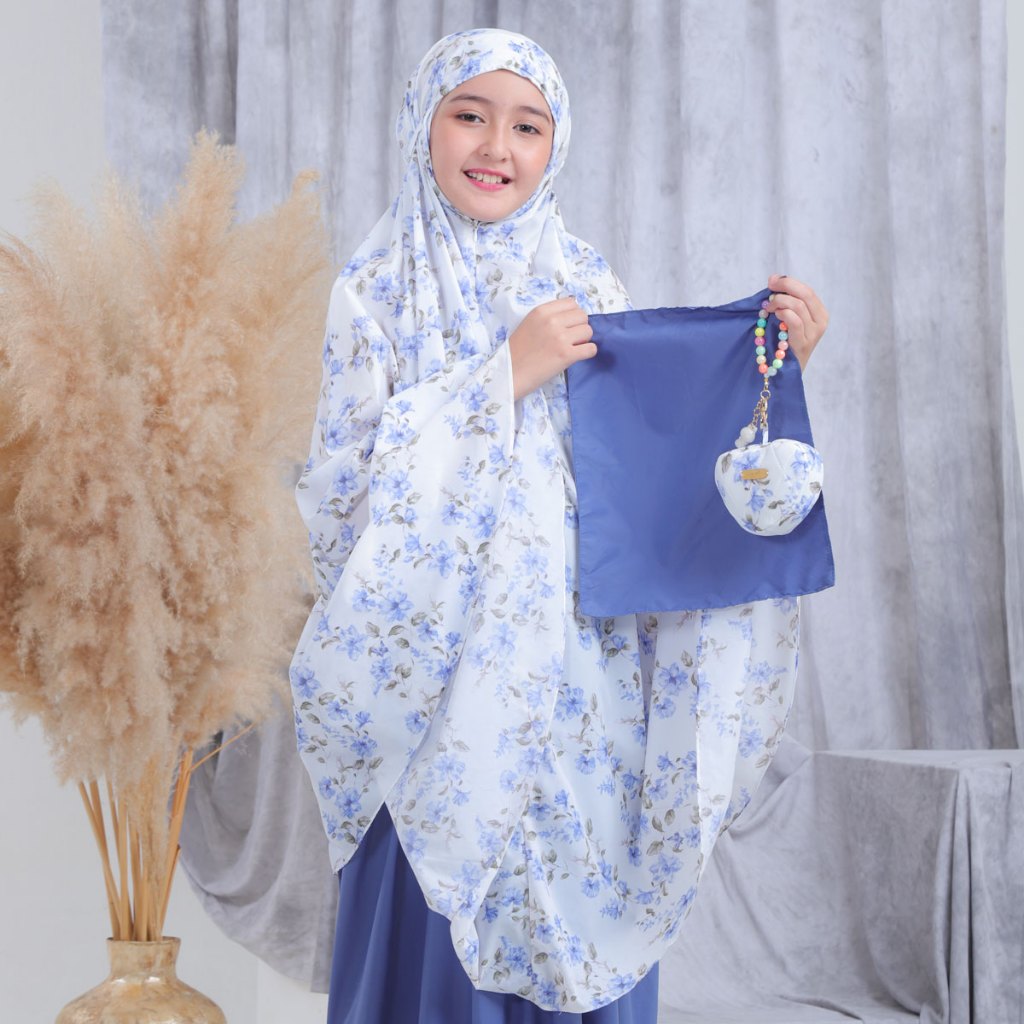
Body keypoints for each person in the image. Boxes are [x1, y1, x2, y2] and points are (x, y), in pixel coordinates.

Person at [289, 27, 828, 1024]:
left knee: (576, 905)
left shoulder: (586, 283)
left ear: (555, 145)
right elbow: (342, 497)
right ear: (423, 126)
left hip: (582, 687)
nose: (497, 146)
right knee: (444, 933)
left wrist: (771, 368)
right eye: (469, 114)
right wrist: (504, 375)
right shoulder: (376, 293)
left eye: (527, 125)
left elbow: (655, 465)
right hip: (441, 690)